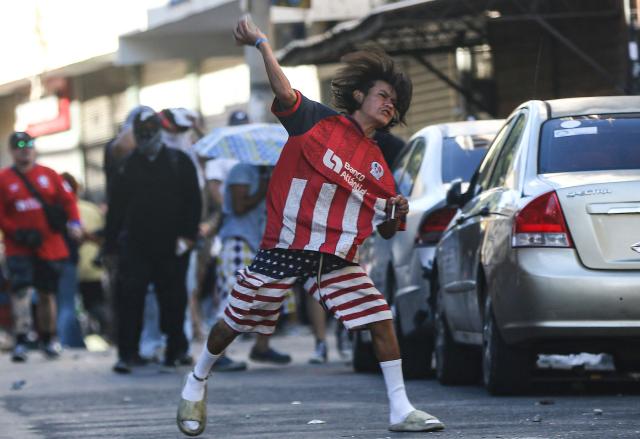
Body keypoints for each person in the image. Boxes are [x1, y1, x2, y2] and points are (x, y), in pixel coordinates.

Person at [176, 16, 444, 436]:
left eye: (395, 102)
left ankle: (400, 408)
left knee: (380, 317)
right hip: (284, 246)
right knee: (235, 320)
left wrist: (394, 214)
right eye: (383, 95)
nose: (390, 104)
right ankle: (196, 382)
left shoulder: (380, 165)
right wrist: (262, 43)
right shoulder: (316, 120)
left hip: (333, 258)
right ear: (359, 95)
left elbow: (386, 229)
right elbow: (283, 91)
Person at [105, 107, 202, 373]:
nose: (147, 137)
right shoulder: (127, 166)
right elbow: (116, 211)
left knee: (174, 300)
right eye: (142, 133)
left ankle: (176, 350)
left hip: (172, 245)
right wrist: (110, 247)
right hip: (136, 246)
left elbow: (193, 202)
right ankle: (128, 353)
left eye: (150, 131)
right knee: (131, 301)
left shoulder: (178, 161)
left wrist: (187, 237)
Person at [0, 132, 82, 362]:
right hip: (19, 247)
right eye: (19, 146)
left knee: (47, 294)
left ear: (34, 149)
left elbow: (68, 202)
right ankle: (22, 339)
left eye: (28, 145)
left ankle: (48, 338)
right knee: (21, 292)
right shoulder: (4, 179)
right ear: (12, 151)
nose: (24, 150)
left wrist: (75, 223)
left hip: (48, 247)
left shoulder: (49, 175)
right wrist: (16, 232)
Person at [213, 162, 291, 371]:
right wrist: (264, 188)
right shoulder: (242, 170)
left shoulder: (267, 172)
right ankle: (218, 354)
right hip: (238, 240)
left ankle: (261, 347)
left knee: (269, 296)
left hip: (259, 242)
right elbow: (239, 207)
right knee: (233, 297)